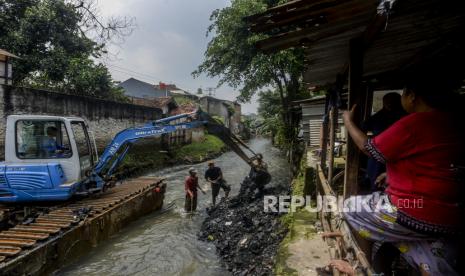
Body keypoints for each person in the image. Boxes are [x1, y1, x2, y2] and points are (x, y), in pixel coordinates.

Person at [342, 71, 464, 275]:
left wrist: (348, 121)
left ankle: (368, 267)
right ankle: (421, 256)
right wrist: (391, 176)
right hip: (452, 216)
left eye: (403, 94)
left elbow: (369, 148)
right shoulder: (455, 121)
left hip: (413, 210)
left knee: (349, 206)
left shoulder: (415, 122)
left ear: (412, 96)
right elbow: (434, 165)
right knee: (433, 256)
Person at [362, 92, 405, 190]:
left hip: (398, 156)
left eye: (393, 102)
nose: (389, 105)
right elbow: (363, 128)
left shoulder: (405, 116)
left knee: (395, 183)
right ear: (384, 103)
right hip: (378, 154)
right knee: (376, 181)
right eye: (387, 102)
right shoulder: (377, 117)